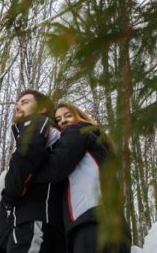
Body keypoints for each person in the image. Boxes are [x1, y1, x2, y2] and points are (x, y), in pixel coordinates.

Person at [30, 102, 130, 253]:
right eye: (57, 119)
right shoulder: (96, 143)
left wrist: (23, 175)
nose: (62, 121)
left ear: (80, 116)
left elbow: (55, 167)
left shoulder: (78, 130)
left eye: (68, 115)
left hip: (92, 222)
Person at [0, 89, 67, 253]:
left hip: (33, 220)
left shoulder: (36, 121)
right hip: (25, 224)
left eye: (25, 102)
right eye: (17, 103)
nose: (17, 106)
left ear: (41, 108)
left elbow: (27, 154)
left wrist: (8, 198)